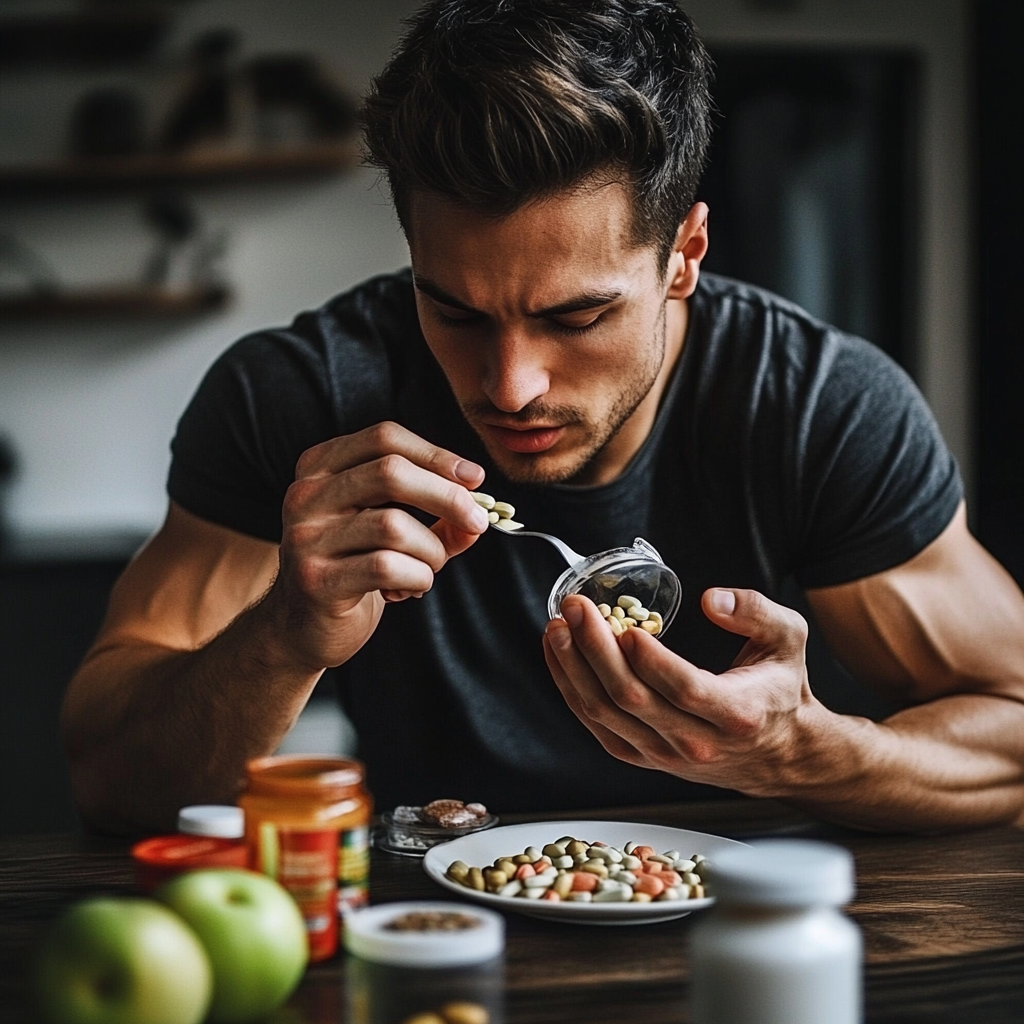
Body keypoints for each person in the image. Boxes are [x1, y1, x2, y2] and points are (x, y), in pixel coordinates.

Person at [62, 0, 1024, 836]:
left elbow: (1012, 730)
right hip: (432, 945)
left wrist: (797, 753)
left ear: (683, 254)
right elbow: (110, 782)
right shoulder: (299, 398)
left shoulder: (818, 408)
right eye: (456, 312)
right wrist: (283, 634)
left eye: (577, 316)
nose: (511, 386)